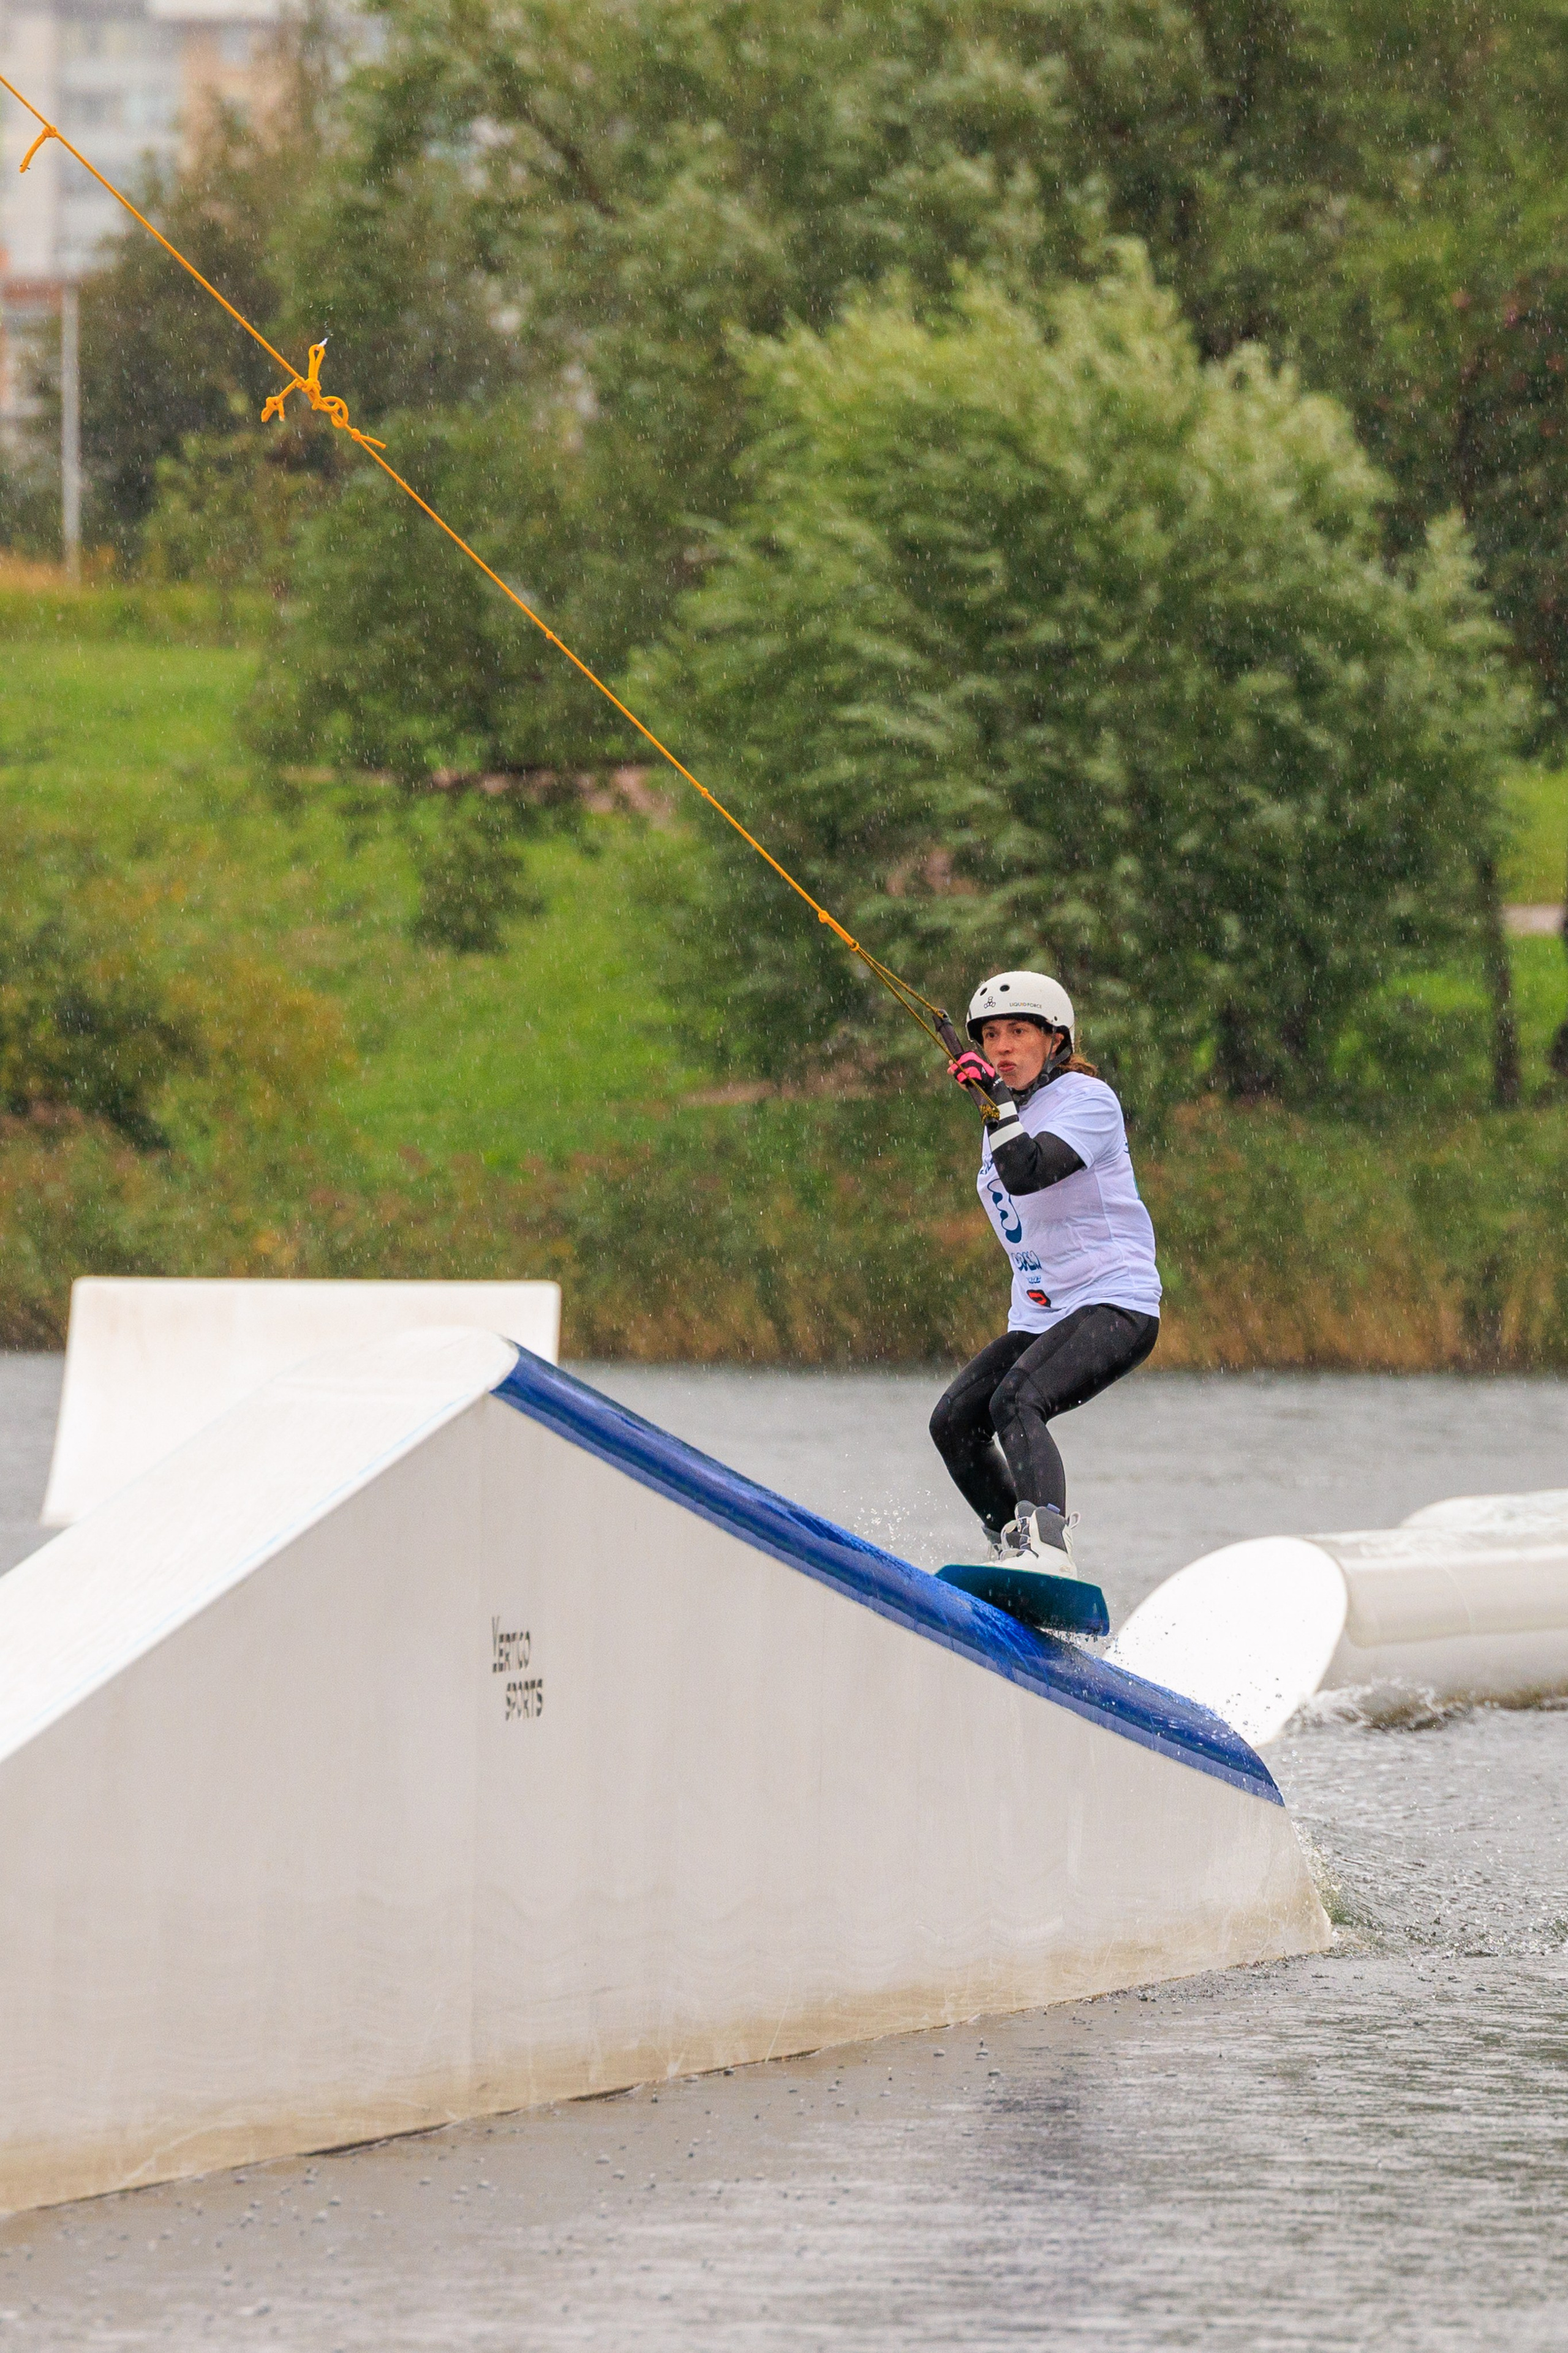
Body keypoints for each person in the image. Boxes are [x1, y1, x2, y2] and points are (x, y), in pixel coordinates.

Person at [929, 970, 1161, 1570]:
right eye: (990, 1036)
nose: (1002, 1048)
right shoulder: (1005, 1116)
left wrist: (997, 1105)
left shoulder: (1089, 1101)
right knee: (954, 1422)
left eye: (1018, 1032)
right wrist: (999, 1108)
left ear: (1055, 1040)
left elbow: (1029, 1171)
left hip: (1116, 1301)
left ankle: (1048, 1548)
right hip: (1043, 1314)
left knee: (1017, 1399)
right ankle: (1012, 1546)